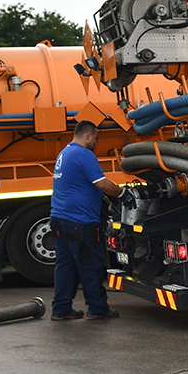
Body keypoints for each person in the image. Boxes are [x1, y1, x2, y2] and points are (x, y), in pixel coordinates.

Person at [49, 120, 125, 321]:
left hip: (59, 219)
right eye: (96, 138)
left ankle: (61, 308)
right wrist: (123, 193)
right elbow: (103, 184)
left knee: (65, 265)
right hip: (79, 222)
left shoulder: (64, 153)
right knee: (89, 265)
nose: (95, 142)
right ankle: (98, 307)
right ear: (88, 136)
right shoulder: (84, 154)